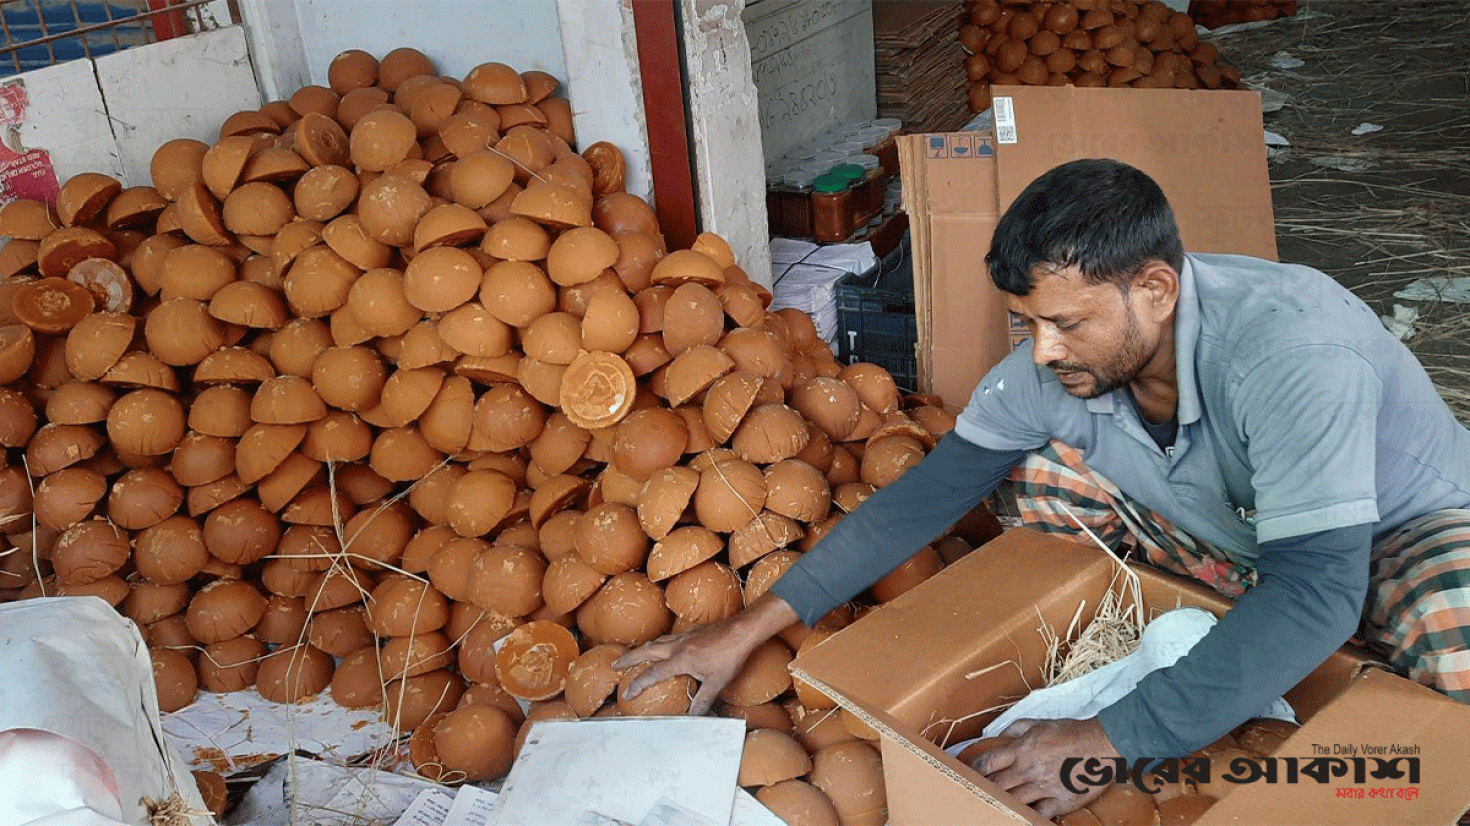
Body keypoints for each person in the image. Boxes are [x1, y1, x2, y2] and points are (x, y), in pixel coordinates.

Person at [616, 158, 1470, 817]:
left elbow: (1320, 588)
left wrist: (1106, 739)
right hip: (1242, 541)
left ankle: (1288, 649)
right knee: (1033, 472)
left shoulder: (1293, 352)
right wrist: (746, 630)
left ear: (1157, 289)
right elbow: (928, 495)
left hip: (1397, 531)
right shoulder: (1058, 364)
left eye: (1065, 323)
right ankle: (1226, 623)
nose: (1043, 353)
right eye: (1026, 324)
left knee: (1454, 632)